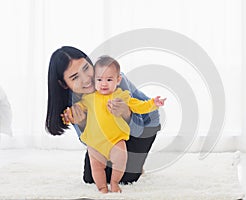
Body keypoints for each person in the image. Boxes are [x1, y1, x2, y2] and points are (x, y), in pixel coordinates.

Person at [45, 46, 161, 186]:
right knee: (91, 178)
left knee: (125, 178)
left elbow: (138, 131)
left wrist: (126, 113)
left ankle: (136, 164)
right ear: (63, 84)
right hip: (107, 133)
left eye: (86, 68)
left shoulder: (115, 81)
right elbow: (89, 142)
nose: (87, 79)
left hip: (143, 126)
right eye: (75, 77)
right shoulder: (73, 102)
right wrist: (83, 124)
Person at [73, 56, 165, 193]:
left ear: (118, 80)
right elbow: (77, 110)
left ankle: (115, 182)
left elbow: (139, 106)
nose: (104, 84)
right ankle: (102, 188)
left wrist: (153, 103)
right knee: (95, 167)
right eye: (99, 80)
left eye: (109, 80)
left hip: (116, 141)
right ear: (94, 81)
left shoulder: (122, 96)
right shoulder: (88, 99)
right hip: (96, 143)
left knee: (120, 162)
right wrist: (70, 114)